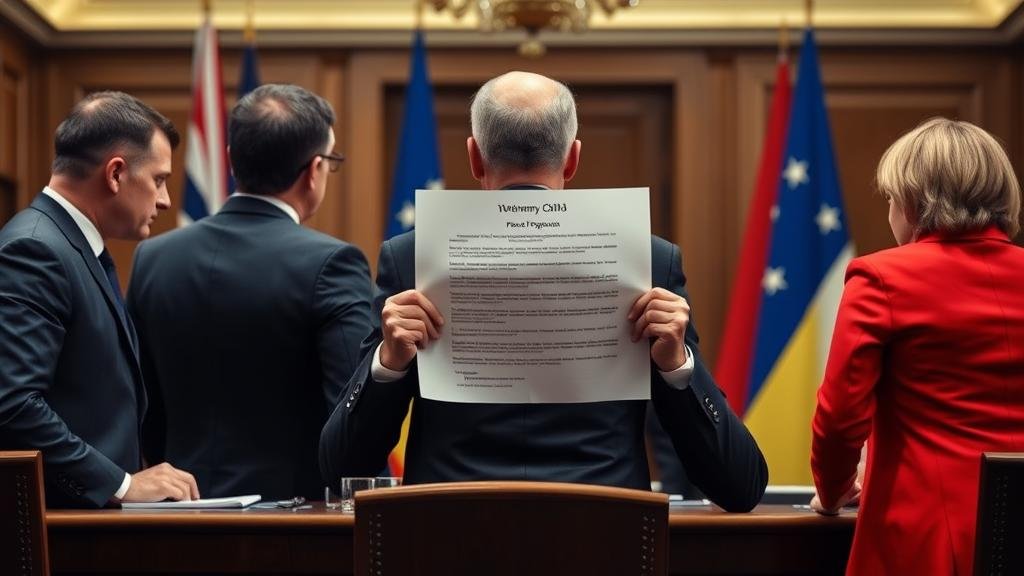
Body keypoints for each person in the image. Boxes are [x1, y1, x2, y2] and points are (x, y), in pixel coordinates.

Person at [320, 71, 768, 512]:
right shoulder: (649, 259)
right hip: (606, 544)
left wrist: (387, 368)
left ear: (474, 157)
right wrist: (679, 370)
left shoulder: (410, 258)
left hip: (447, 543)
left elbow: (339, 464)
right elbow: (739, 486)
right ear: (573, 159)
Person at [127, 84, 374, 501]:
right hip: (292, 523)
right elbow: (354, 414)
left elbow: (140, 403)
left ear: (229, 160)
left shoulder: (153, 257)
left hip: (176, 512)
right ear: (314, 170)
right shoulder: (333, 263)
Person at [810, 118, 1024, 575]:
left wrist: (832, 492)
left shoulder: (882, 278)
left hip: (925, 534)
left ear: (912, 202)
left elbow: (841, 416)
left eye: (890, 198)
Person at [0, 91, 199, 507]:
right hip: (58, 539)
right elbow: (13, 404)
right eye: (159, 180)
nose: (164, 200)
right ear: (115, 174)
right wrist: (122, 485)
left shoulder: (72, 247)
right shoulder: (35, 250)